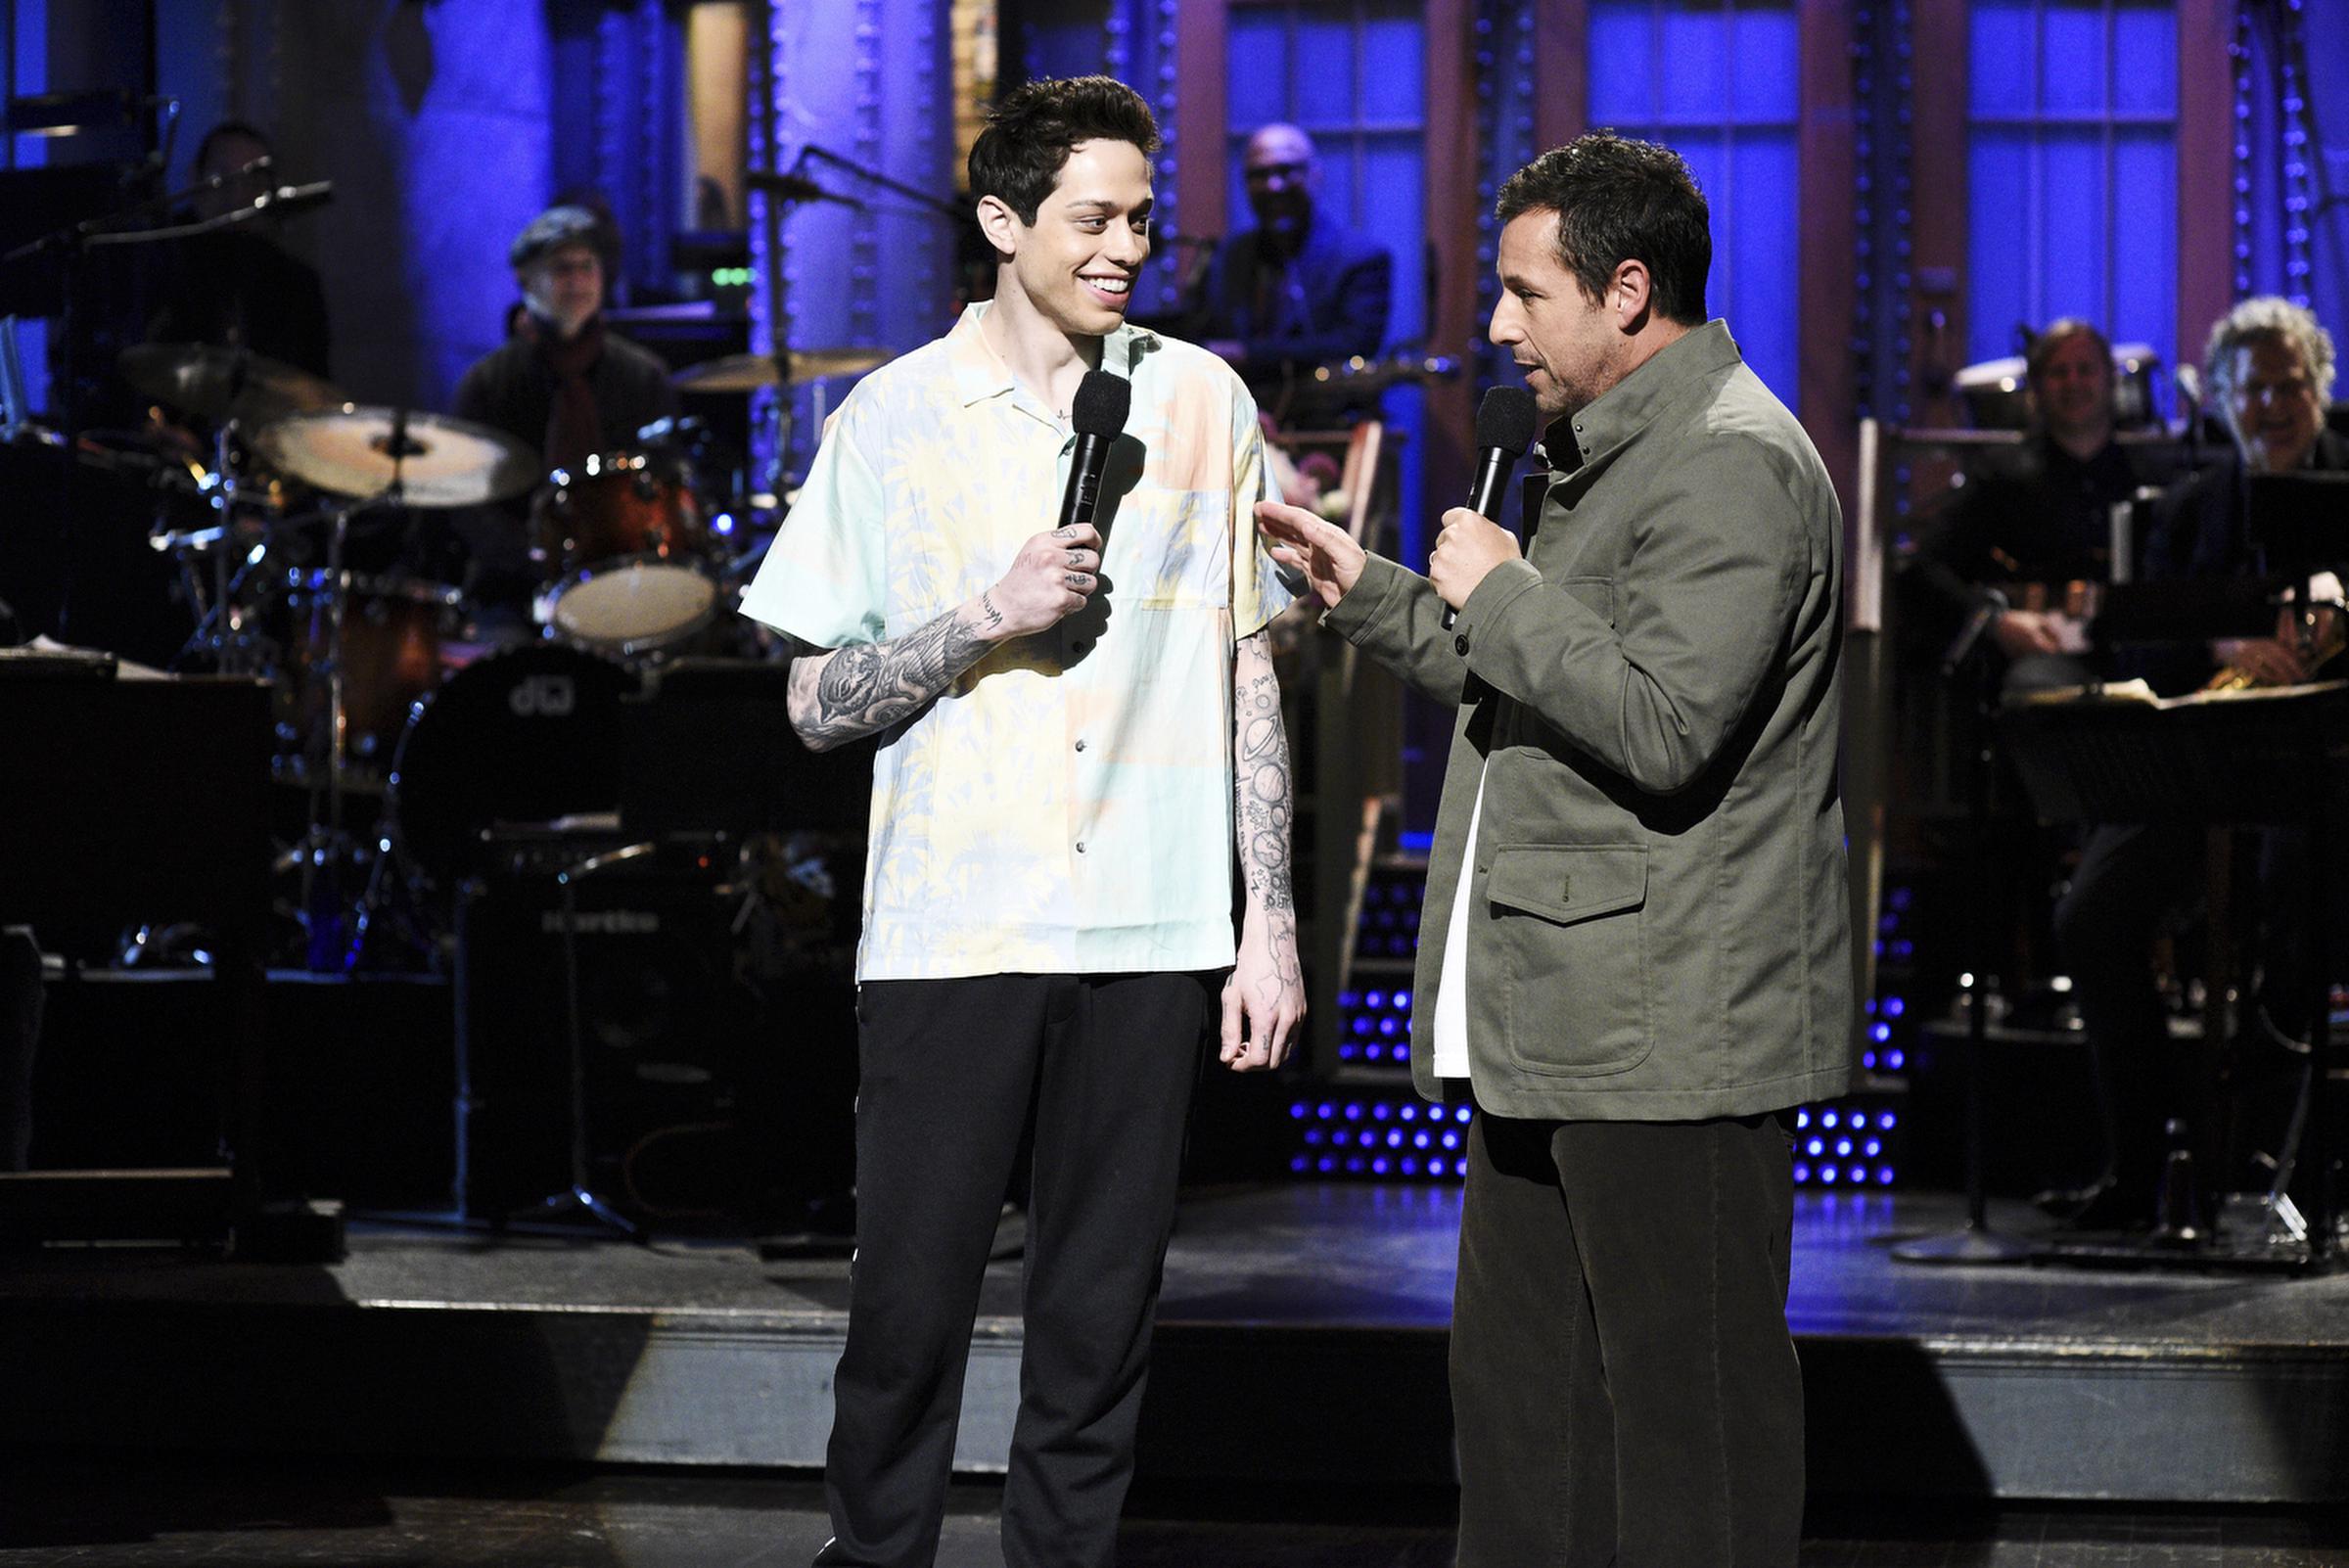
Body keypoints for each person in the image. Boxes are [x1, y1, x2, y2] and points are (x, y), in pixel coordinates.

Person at [1260, 132, 1852, 1568]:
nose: (1500, 325)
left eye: (1527, 294)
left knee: (1686, 1431)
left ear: (1629, 291)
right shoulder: (1604, 457)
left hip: (1673, 1035)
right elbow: (1537, 669)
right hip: (1556, 1024)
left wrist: (1510, 590)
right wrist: (1376, 593)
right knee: (1529, 1418)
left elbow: (1660, 722)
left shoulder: (1733, 467)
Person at [737, 76, 1303, 1568]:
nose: (1126, 247)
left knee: (1099, 1328)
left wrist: (1273, 928)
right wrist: (984, 617)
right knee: (906, 1319)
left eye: (1140, 220)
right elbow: (810, 700)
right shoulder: (894, 417)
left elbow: (1250, 664)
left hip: (1151, 918)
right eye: (1092, 218)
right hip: (954, 923)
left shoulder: (1201, 398)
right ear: (1003, 221)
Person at [2050, 298, 2347, 1232]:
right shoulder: (2183, 513)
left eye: (2288, 384)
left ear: (2319, 391)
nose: (2271, 404)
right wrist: (2225, 639)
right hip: (2196, 768)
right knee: (2091, 915)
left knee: (2299, 901)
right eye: (2250, 388)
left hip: (2325, 778)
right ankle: (2143, 1163)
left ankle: (2278, 1157)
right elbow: (2132, 648)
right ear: (2218, 401)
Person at [1901, 318, 2163, 694]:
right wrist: (1996, 621)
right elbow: (1926, 567)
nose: (2073, 383)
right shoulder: (2000, 477)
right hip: (2042, 660)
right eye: (2059, 372)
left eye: (2085, 370)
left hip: (2139, 653)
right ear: (2036, 389)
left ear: (2110, 381)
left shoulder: (2148, 476)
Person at [449, 206, 679, 618]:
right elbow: (464, 498)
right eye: (560, 269)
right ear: (525, 281)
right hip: (513, 587)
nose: (576, 281)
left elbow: (666, 482)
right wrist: (533, 554)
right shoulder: (488, 383)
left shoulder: (644, 378)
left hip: (625, 581)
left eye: (586, 267)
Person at [1189, 122, 1393, 392]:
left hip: (1329, 415)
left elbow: (1356, 344)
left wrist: (1248, 353)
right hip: (1240, 410)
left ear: (1315, 175)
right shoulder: (1227, 255)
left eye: (1286, 171)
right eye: (1259, 175)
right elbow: (1199, 334)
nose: (1273, 186)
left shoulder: (1361, 257)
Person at [147, 120, 333, 379]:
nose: (237, 196)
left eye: (253, 180)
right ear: (194, 178)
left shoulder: (295, 285)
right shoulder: (156, 259)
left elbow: (312, 387)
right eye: (221, 179)